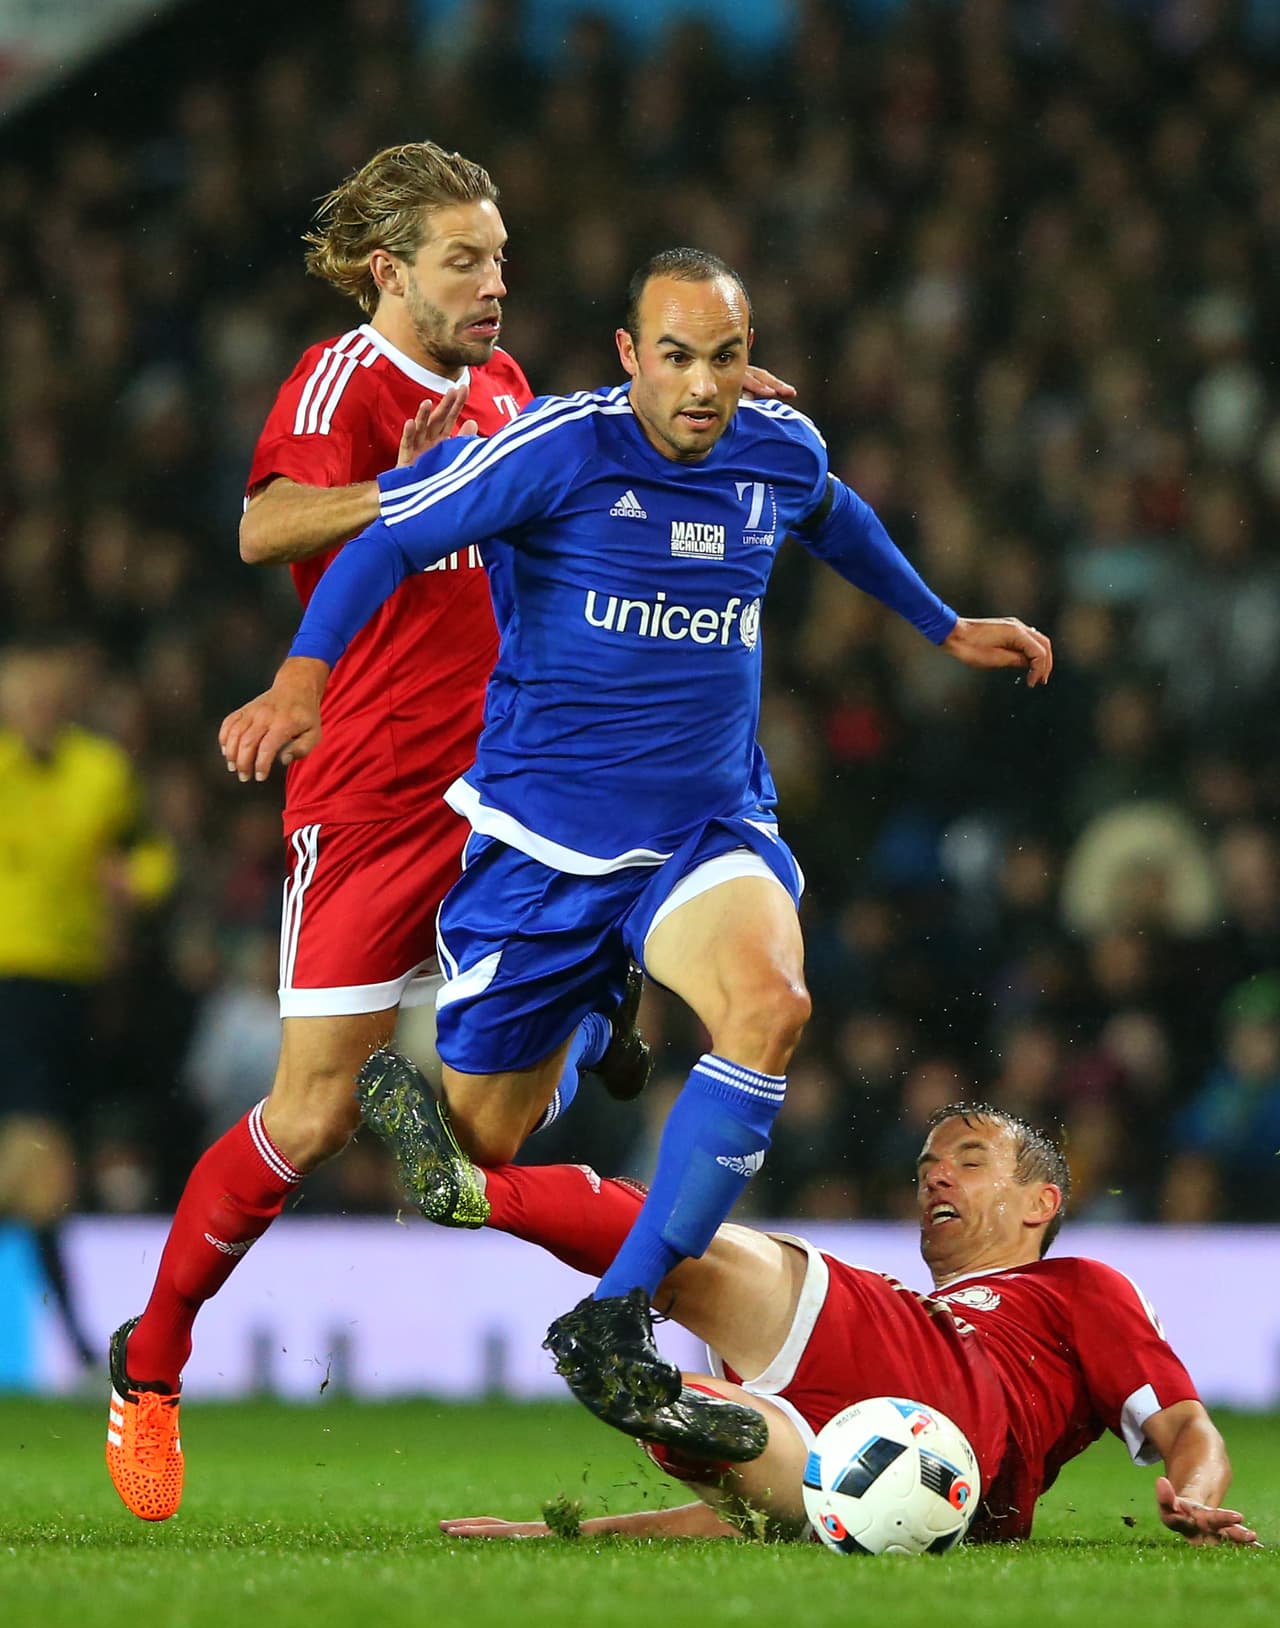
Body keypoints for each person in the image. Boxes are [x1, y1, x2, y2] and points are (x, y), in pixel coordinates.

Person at [219, 247, 1054, 1463]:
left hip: (706, 828)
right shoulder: (555, 450)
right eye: (675, 356)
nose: (704, 385)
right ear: (628, 356)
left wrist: (940, 622)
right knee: (483, 1145)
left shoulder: (778, 444)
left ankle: (617, 1314)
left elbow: (836, 515)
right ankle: (594, 1025)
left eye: (723, 356)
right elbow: (383, 541)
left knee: (769, 1007)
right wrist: (303, 677)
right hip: (543, 845)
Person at [105, 141, 675, 1522]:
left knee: (489, 1146)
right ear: (392, 271)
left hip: (501, 794)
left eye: (500, 256)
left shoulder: (501, 383)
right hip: (366, 802)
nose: (496, 283)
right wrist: (418, 490)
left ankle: (594, 1011)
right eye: (465, 260)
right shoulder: (342, 385)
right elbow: (265, 524)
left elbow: (547, 503)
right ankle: (153, 1363)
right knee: (306, 1116)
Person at [435, 1105, 1259, 1549]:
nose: (936, 1172)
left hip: (962, 1399)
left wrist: (1194, 1497)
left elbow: (1186, 1422)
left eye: (969, 1160)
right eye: (927, 1165)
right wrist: (570, 1532)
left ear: (1041, 1203)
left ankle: (480, 1189)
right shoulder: (921, 1314)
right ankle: (674, 1414)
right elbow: (736, 1521)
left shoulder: (1075, 1286)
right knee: (761, 1456)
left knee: (709, 1260)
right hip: (917, 1499)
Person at [0, 640, 175, 1374]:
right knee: (44, 1164)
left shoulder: (101, 773)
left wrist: (135, 882)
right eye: (21, 694)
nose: (34, 706)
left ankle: (73, 1343)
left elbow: (152, 855)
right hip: (9, 981)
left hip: (72, 992)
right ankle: (75, 1342)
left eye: (46, 692)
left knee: (39, 1166)